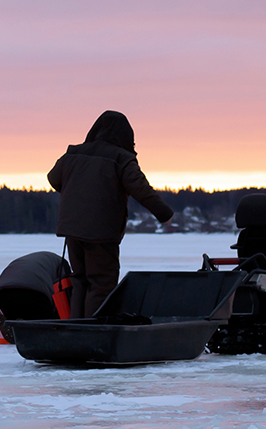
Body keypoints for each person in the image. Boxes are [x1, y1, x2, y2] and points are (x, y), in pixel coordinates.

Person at [47, 111, 175, 318]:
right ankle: (95, 330)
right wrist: (164, 214)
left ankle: (75, 329)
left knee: (79, 281)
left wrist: (78, 193)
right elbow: (141, 189)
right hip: (101, 232)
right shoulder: (121, 158)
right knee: (101, 283)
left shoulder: (73, 153)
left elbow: (53, 178)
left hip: (72, 229)